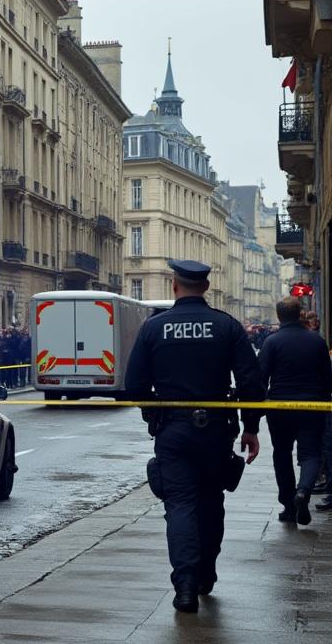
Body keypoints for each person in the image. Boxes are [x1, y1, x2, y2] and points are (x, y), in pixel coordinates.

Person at [123, 259, 264, 613]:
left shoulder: (154, 328)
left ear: (174, 285)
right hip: (217, 430)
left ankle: (184, 586)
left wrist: (154, 412)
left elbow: (135, 384)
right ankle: (206, 573)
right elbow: (251, 382)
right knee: (212, 503)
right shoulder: (226, 326)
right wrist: (250, 428)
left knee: (180, 506)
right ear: (206, 287)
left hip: (173, 431)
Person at [257, 297, 330, 526]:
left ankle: (288, 506)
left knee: (282, 454)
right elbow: (327, 379)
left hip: (279, 407)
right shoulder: (316, 342)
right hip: (311, 406)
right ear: (300, 313)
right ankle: (303, 492)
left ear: (279, 316)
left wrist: (255, 410)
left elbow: (261, 377)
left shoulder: (271, 342)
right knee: (310, 454)